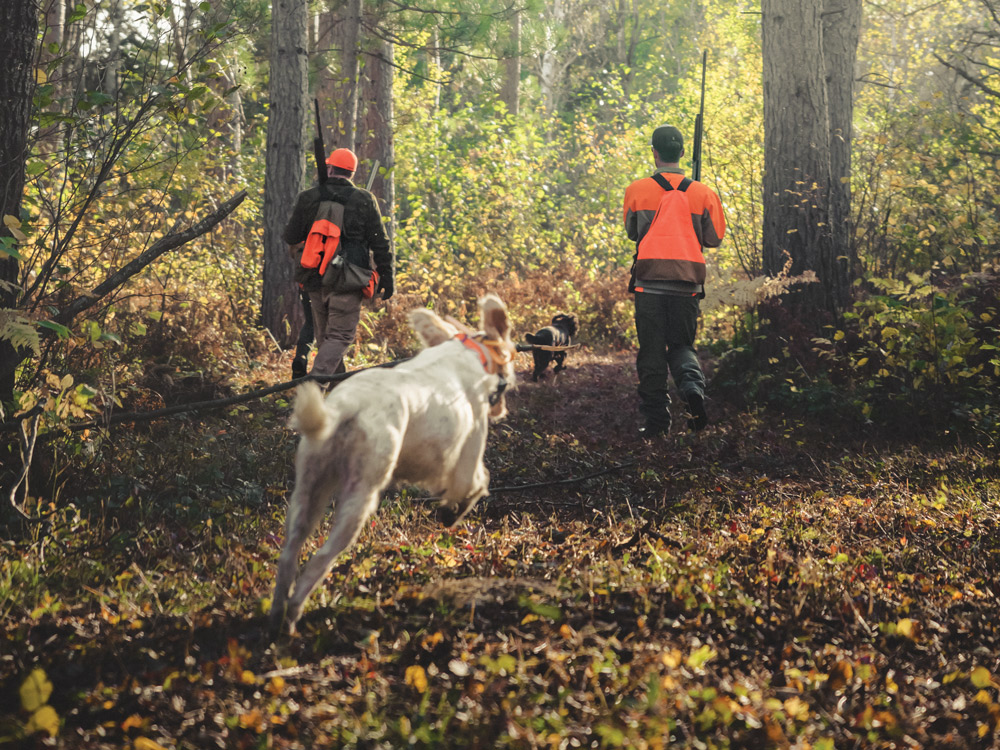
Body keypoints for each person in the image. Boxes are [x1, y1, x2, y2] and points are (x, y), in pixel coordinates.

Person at [623, 125, 726, 437]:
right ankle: (692, 387)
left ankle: (656, 424)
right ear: (682, 153)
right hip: (686, 285)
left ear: (654, 153)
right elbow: (714, 238)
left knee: (651, 351)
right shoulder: (704, 192)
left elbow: (632, 232)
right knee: (682, 346)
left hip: (649, 284)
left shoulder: (636, 190)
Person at [283, 148, 394, 377]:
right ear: (351, 174)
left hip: (314, 279)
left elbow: (291, 236)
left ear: (330, 169)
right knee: (339, 337)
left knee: (327, 340)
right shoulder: (364, 199)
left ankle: (334, 396)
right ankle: (316, 386)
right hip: (348, 280)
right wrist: (387, 275)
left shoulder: (308, 197)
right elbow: (380, 242)